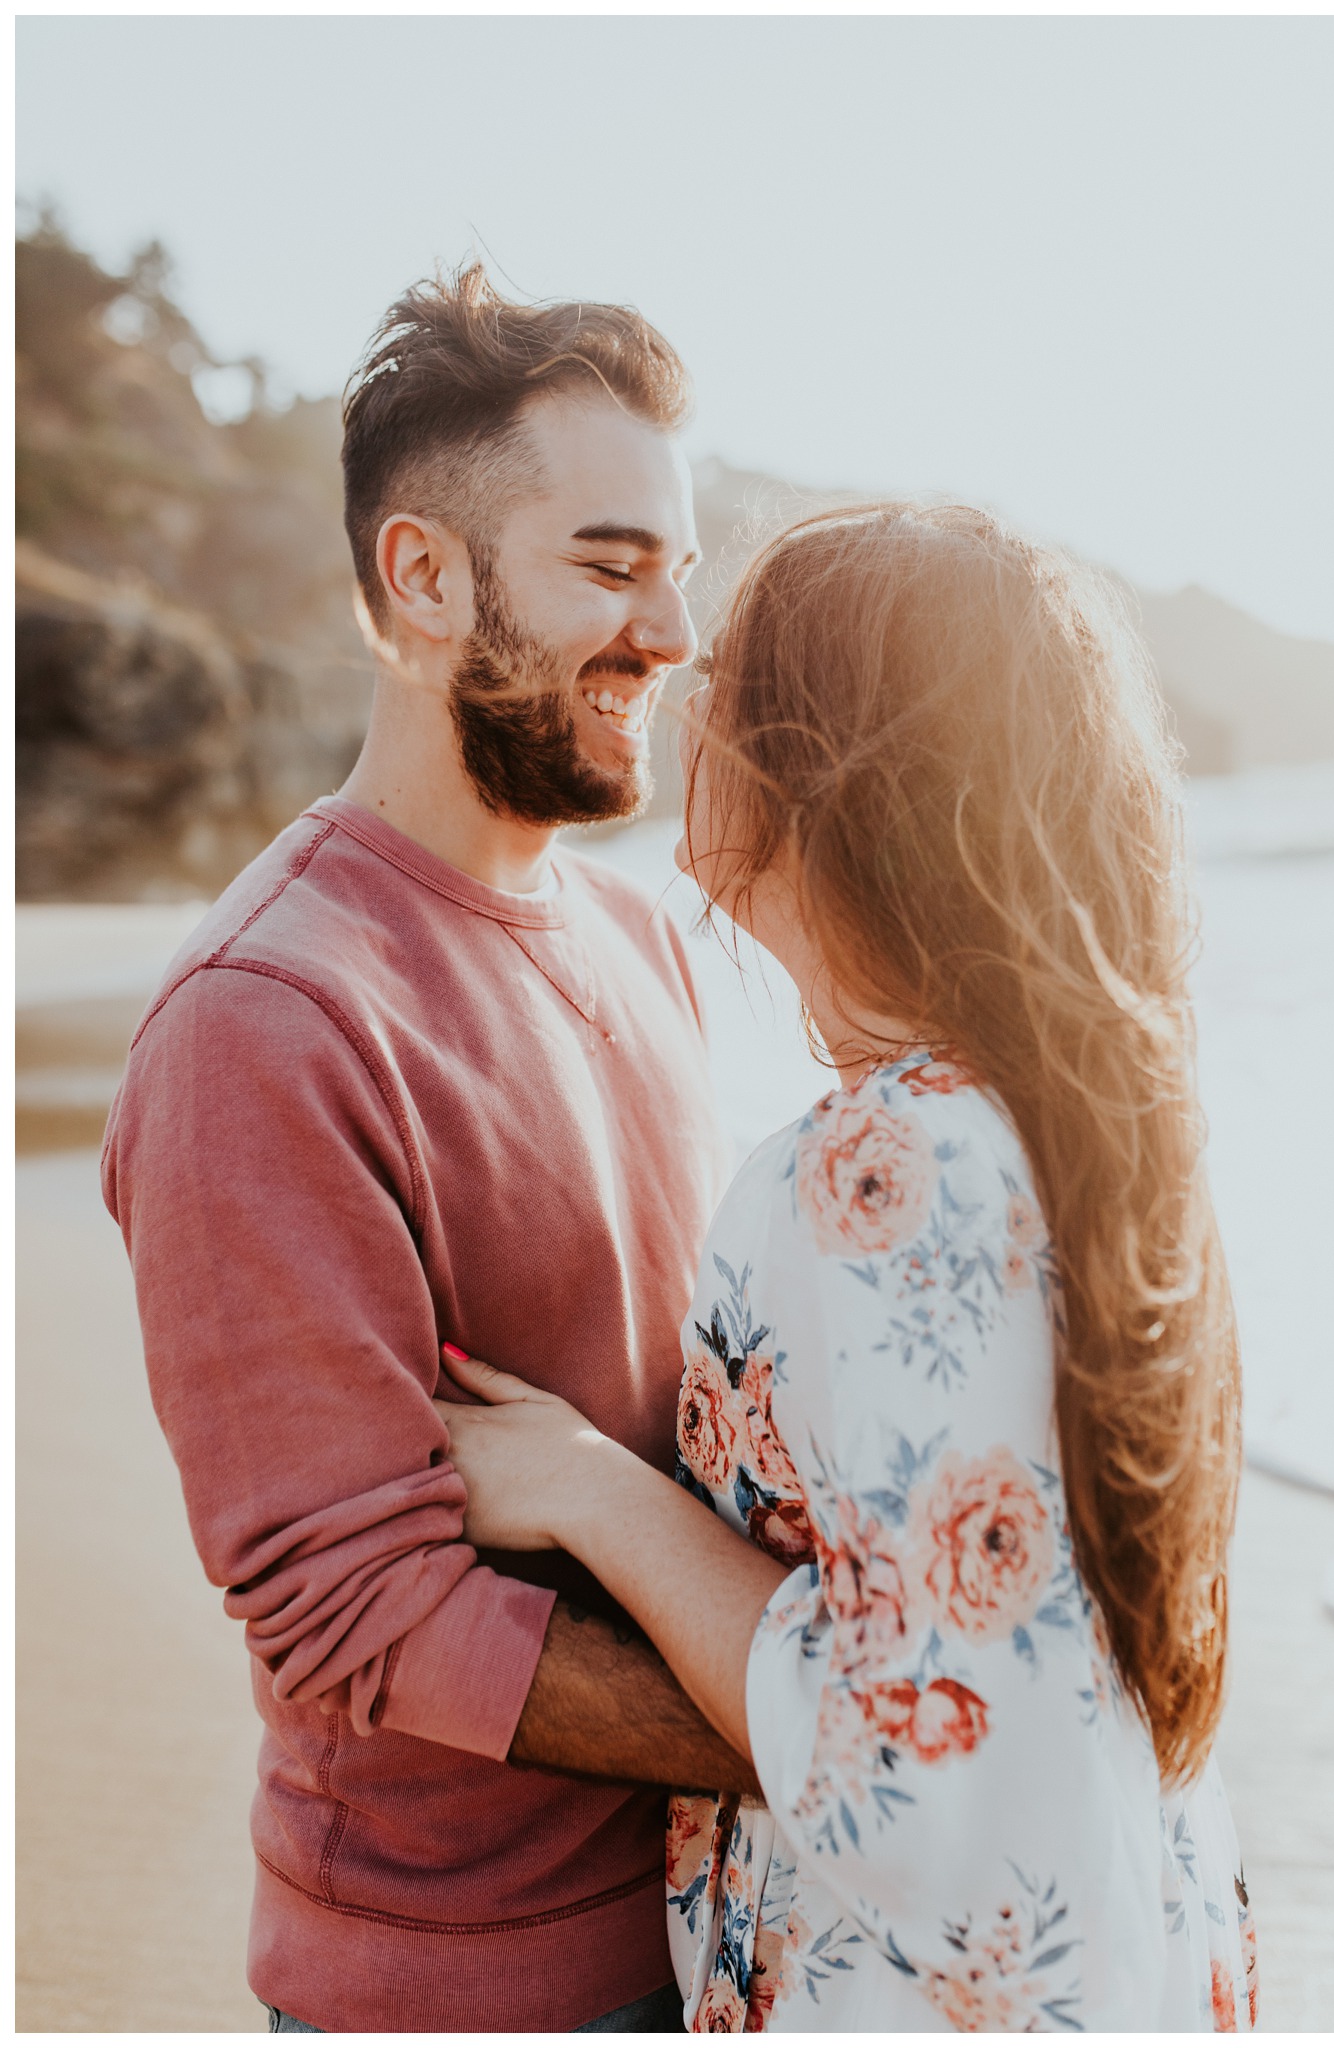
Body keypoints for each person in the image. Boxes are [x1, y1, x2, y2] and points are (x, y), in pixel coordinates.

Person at [434, 503, 1260, 2032]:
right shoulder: (1075, 1124)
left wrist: (586, 1492)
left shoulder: (886, 1167)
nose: (683, 688)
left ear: (827, 768)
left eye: (734, 678)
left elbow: (927, 1757)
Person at [101, 265, 748, 2033]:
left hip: (736, 1932)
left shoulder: (646, 937)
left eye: (677, 571)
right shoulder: (264, 1021)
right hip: (459, 1992)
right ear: (424, 578)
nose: (672, 634)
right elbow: (355, 1612)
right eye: (612, 567)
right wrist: (811, 1713)